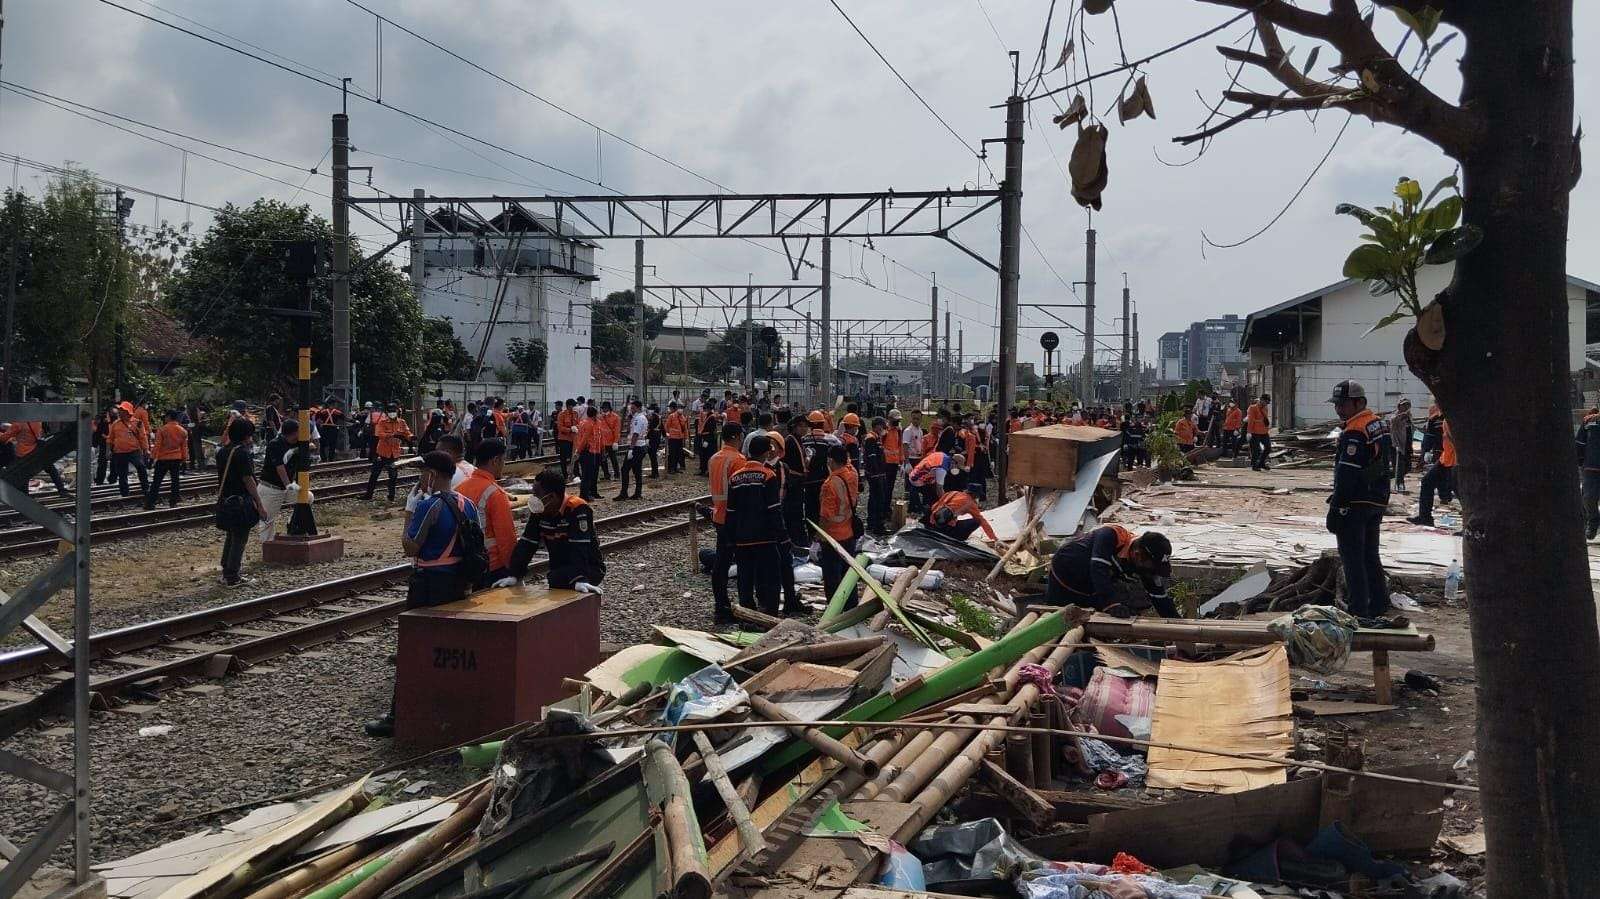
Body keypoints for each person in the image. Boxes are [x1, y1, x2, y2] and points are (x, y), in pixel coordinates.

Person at [365, 450, 482, 737]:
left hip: (429, 582)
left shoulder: (429, 506)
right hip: (458, 582)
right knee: (449, 648)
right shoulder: (468, 505)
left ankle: (398, 714)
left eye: (422, 472)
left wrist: (409, 512)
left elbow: (411, 547)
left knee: (414, 647)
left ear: (431, 474)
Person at [1327, 381, 1393, 619]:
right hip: (1377, 498)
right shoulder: (1378, 424)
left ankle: (1358, 611)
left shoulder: (1355, 430)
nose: (1339, 409)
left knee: (1352, 558)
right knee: (1369, 555)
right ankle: (1378, 603)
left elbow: (1348, 472)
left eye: (1343, 404)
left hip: (1356, 502)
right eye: (1337, 405)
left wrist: (1337, 506)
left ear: (1359, 403)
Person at [504, 468, 607, 591]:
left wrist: (579, 578)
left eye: (537, 494)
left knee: (558, 578)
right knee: (555, 578)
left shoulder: (577, 509)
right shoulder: (540, 510)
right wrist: (515, 574)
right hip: (560, 567)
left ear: (552, 496)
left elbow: (579, 547)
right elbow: (528, 542)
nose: (533, 498)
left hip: (588, 567)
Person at [1047, 525, 1177, 617]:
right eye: (1152, 567)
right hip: (1062, 580)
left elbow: (1160, 597)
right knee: (1055, 624)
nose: (1152, 572)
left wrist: (1177, 623)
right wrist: (1111, 603)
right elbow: (1098, 569)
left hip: (1088, 590)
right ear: (1137, 555)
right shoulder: (1110, 535)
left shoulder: (1145, 564)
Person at [726, 434, 787, 615]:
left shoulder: (735, 477)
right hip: (765, 538)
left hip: (742, 538)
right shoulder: (768, 476)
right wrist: (783, 537)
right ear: (767, 453)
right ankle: (770, 613)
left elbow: (731, 512)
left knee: (745, 578)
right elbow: (774, 509)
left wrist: (731, 538)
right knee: (771, 577)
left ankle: (747, 613)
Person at [215, 417, 267, 588]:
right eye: (250, 435)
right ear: (245, 436)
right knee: (240, 537)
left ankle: (226, 570)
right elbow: (248, 480)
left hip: (226, 499)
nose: (251, 439)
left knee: (231, 534)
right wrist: (259, 503)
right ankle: (232, 575)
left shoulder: (223, 452)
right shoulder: (242, 453)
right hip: (240, 501)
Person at [457, 438, 516, 585]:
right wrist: (514, 570)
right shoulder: (496, 493)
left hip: (467, 563)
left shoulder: (459, 489)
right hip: (493, 565)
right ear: (495, 460)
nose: (504, 465)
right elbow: (506, 537)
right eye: (503, 460)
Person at [708, 423, 746, 622]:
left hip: (718, 515)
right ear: (737, 437)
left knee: (721, 564)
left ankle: (720, 605)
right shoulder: (738, 460)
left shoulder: (715, 458)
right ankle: (744, 608)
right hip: (735, 518)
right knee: (744, 563)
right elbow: (741, 492)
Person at [818, 445, 862, 609]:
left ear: (830, 460)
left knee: (831, 577)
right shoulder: (853, 474)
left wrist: (819, 537)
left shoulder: (829, 485)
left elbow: (825, 516)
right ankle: (851, 607)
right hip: (849, 531)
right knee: (847, 574)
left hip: (832, 536)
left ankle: (835, 609)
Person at [257, 420, 312, 542]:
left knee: (307, 497)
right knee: (267, 520)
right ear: (294, 432)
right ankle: (267, 547)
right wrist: (288, 484)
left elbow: (311, 445)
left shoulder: (298, 443)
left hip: (285, 487)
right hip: (271, 487)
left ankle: (292, 523)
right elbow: (279, 467)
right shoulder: (276, 444)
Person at [1410, 412, 1458, 528]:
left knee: (1459, 490)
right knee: (1427, 481)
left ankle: (1469, 526)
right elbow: (1429, 437)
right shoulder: (1437, 418)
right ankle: (1425, 517)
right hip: (1445, 458)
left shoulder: (1456, 418)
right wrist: (1424, 453)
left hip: (1455, 461)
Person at [0, 420, 70, 497]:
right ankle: (62, 490)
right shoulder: (37, 421)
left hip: (23, 454)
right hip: (37, 451)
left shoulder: (19, 423)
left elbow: (3, 439)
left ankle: (25, 499)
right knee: (51, 469)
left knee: (23, 477)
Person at [143, 410, 189, 509]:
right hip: (176, 459)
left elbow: (157, 446)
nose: (164, 418)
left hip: (163, 459)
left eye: (165, 416)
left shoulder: (162, 430)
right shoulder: (183, 431)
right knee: (175, 481)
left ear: (168, 417)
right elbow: (184, 447)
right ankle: (173, 501)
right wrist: (184, 460)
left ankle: (150, 502)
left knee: (157, 482)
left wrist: (152, 459)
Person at [108, 402, 150, 497]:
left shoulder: (138, 423)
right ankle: (124, 493)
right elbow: (110, 439)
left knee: (141, 467)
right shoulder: (115, 424)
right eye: (120, 410)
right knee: (122, 474)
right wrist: (109, 451)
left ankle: (146, 488)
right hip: (119, 452)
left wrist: (146, 449)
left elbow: (143, 437)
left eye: (122, 410)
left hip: (134, 451)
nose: (120, 412)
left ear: (128, 411)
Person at [923, 488, 997, 542]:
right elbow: (982, 521)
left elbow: (935, 506)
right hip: (944, 527)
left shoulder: (953, 493)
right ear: (975, 496)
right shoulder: (971, 504)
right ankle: (955, 538)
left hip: (930, 520)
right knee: (976, 521)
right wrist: (994, 539)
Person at [861, 418, 892, 535]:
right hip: (875, 475)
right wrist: (877, 473)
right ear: (876, 426)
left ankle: (872, 523)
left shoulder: (875, 438)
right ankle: (878, 526)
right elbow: (872, 457)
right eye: (881, 426)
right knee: (879, 499)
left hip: (877, 474)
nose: (883, 429)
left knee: (874, 498)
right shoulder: (871, 438)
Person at [617, 400, 647, 500]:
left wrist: (631, 448)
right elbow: (630, 431)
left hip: (636, 447)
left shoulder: (639, 419)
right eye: (631, 408)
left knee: (625, 469)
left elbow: (635, 434)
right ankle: (638, 493)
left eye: (633, 408)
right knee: (637, 470)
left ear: (638, 408)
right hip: (639, 446)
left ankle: (624, 493)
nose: (631, 410)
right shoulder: (637, 418)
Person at [1579, 408, 1600, 540]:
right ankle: (1592, 522)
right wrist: (1581, 462)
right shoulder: (1589, 422)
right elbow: (1579, 443)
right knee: (1588, 498)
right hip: (1591, 468)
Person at [577, 405, 605, 501]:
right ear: (595, 414)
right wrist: (579, 451)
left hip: (596, 451)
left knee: (594, 473)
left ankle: (593, 492)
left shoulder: (597, 423)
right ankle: (584, 494)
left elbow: (601, 438)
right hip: (588, 452)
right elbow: (584, 439)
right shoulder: (587, 424)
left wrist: (602, 449)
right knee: (587, 474)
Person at [1390, 398, 1414, 493]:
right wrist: (1401, 416)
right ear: (1399, 406)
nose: (1405, 407)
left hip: (1407, 444)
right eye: (1403, 405)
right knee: (1399, 465)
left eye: (1407, 405)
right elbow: (1393, 421)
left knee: (1407, 466)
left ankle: (1393, 476)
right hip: (1397, 445)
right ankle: (1400, 483)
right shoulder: (1395, 416)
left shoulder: (1409, 416)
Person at [1246, 394, 1272, 471]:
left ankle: (1261, 463)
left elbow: (1265, 419)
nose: (1266, 404)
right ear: (1261, 400)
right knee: (1256, 449)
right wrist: (1249, 432)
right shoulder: (1252, 408)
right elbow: (1250, 421)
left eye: (1267, 402)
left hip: (1264, 431)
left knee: (1268, 448)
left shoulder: (1265, 408)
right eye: (1266, 402)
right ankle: (1254, 465)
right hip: (1255, 431)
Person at [555, 399, 578, 479]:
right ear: (569, 406)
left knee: (574, 457)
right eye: (573, 406)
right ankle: (565, 475)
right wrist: (570, 429)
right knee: (563, 458)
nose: (574, 407)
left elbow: (578, 424)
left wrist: (576, 428)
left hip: (573, 439)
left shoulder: (575, 414)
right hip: (564, 439)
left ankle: (576, 474)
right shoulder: (562, 414)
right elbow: (560, 428)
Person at [665, 402, 689, 474]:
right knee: (673, 453)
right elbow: (667, 426)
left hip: (678, 438)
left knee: (677, 453)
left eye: (670, 408)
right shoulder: (673, 416)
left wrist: (686, 437)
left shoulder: (680, 416)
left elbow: (684, 427)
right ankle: (671, 468)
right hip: (673, 438)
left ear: (673, 408)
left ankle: (674, 468)